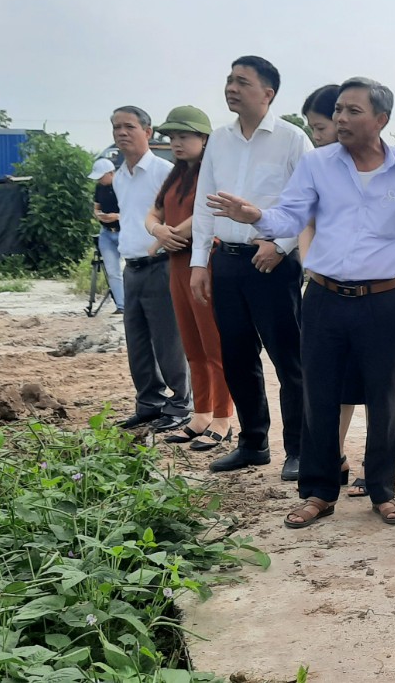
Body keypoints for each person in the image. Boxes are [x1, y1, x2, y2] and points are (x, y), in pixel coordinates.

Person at [209, 77, 395, 529]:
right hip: (325, 298)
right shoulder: (317, 165)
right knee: (320, 396)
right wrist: (256, 216)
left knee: (383, 397)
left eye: (353, 111)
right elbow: (290, 214)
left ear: (381, 120)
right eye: (339, 111)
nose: (341, 119)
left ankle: (382, 490)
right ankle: (317, 491)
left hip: (383, 300)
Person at [189, 56, 313, 475]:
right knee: (237, 356)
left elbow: (310, 201)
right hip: (226, 262)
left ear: (268, 93)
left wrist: (280, 245)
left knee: (288, 359)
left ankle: (298, 448)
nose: (231, 87)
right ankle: (253, 442)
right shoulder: (218, 141)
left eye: (242, 81)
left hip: (272, 264)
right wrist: (199, 263)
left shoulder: (292, 140)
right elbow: (204, 203)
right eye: (229, 80)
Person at [143, 106, 235, 451]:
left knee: (215, 345)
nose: (176, 143)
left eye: (184, 136)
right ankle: (201, 413)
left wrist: (166, 237)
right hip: (177, 265)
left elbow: (206, 213)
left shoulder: (212, 173)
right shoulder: (175, 175)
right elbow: (154, 210)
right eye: (172, 137)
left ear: (204, 138)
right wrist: (158, 229)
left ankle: (224, 418)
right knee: (192, 345)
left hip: (205, 263)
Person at [299, 83, 369, 497]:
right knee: (330, 386)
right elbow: (306, 221)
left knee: (377, 388)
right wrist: (313, 269)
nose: (318, 135)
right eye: (314, 127)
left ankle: (376, 469)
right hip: (327, 289)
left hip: (377, 291)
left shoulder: (384, 168)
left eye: (320, 126)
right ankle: (332, 458)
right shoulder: (316, 166)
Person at [110, 105, 192, 433]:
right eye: (116, 127)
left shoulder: (164, 171)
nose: (121, 133)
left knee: (168, 339)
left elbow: (182, 214)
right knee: (138, 341)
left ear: (148, 131)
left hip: (161, 265)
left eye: (129, 126)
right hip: (131, 267)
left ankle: (181, 404)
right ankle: (149, 403)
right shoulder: (119, 176)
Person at [89, 158, 125, 314]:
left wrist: (117, 216)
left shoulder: (123, 186)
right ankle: (121, 306)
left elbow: (134, 211)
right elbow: (96, 207)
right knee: (112, 271)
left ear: (111, 173)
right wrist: (99, 215)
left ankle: (133, 302)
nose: (99, 180)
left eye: (101, 177)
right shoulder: (99, 188)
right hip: (106, 233)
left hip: (123, 231)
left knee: (132, 267)